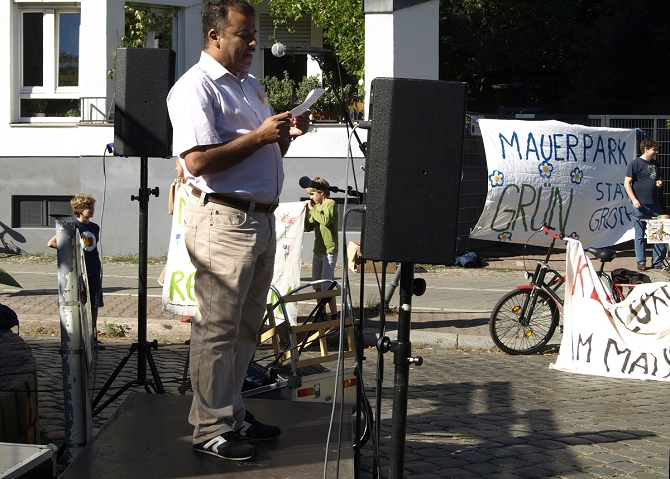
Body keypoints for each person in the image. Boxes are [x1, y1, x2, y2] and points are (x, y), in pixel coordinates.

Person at [166, 0, 310, 462]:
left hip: (259, 218)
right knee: (217, 329)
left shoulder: (249, 84)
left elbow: (262, 152)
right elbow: (197, 161)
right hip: (223, 220)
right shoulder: (195, 87)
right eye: (244, 35)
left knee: (247, 327)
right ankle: (209, 428)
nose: (253, 43)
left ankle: (232, 412)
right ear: (214, 36)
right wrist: (260, 136)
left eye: (254, 35)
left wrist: (283, 136)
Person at [48, 193, 105, 349]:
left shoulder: (95, 227)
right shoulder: (73, 226)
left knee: (94, 304)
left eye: (92, 206)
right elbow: (51, 243)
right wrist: (71, 250)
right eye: (87, 207)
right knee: (80, 303)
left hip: (94, 269)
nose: (91, 210)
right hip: (80, 272)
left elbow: (92, 247)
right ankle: (78, 337)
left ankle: (93, 337)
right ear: (79, 209)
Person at [624, 138, 667, 271]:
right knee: (640, 234)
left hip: (654, 204)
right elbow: (627, 183)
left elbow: (657, 178)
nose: (656, 152)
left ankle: (657, 261)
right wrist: (634, 200)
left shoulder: (655, 164)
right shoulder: (635, 164)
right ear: (646, 149)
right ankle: (641, 261)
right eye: (654, 149)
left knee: (660, 233)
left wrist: (659, 182)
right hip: (640, 205)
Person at [304, 177, 339, 320]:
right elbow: (308, 227)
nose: (311, 198)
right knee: (317, 285)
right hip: (317, 251)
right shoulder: (316, 207)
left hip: (329, 251)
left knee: (326, 286)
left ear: (322, 192)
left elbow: (325, 220)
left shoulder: (331, 204)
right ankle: (321, 314)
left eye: (313, 194)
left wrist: (312, 209)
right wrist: (306, 213)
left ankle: (334, 315)